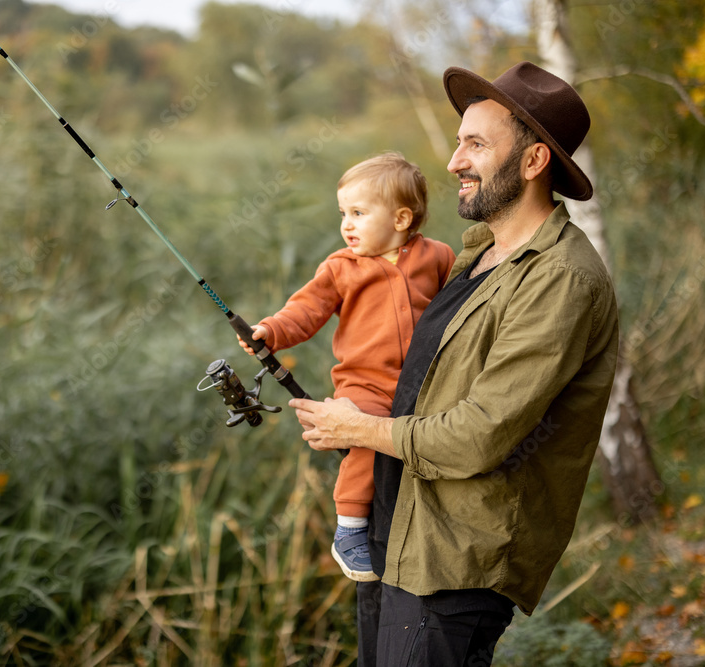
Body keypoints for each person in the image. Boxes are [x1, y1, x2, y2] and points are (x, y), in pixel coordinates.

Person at [289, 61, 620, 666]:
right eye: (458, 142)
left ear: (533, 161)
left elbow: (478, 435)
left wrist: (359, 429)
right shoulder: (473, 258)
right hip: (399, 534)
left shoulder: (561, 279)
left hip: (455, 564)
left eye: (475, 144)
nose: (454, 162)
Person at [239, 153, 456, 581]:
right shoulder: (342, 267)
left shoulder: (438, 257)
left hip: (425, 382)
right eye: (343, 214)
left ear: (400, 219)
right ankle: (350, 528)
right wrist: (270, 331)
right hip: (365, 383)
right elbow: (306, 309)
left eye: (358, 213)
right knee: (361, 434)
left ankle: (431, 531)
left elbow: (460, 305)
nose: (347, 225)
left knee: (428, 446)